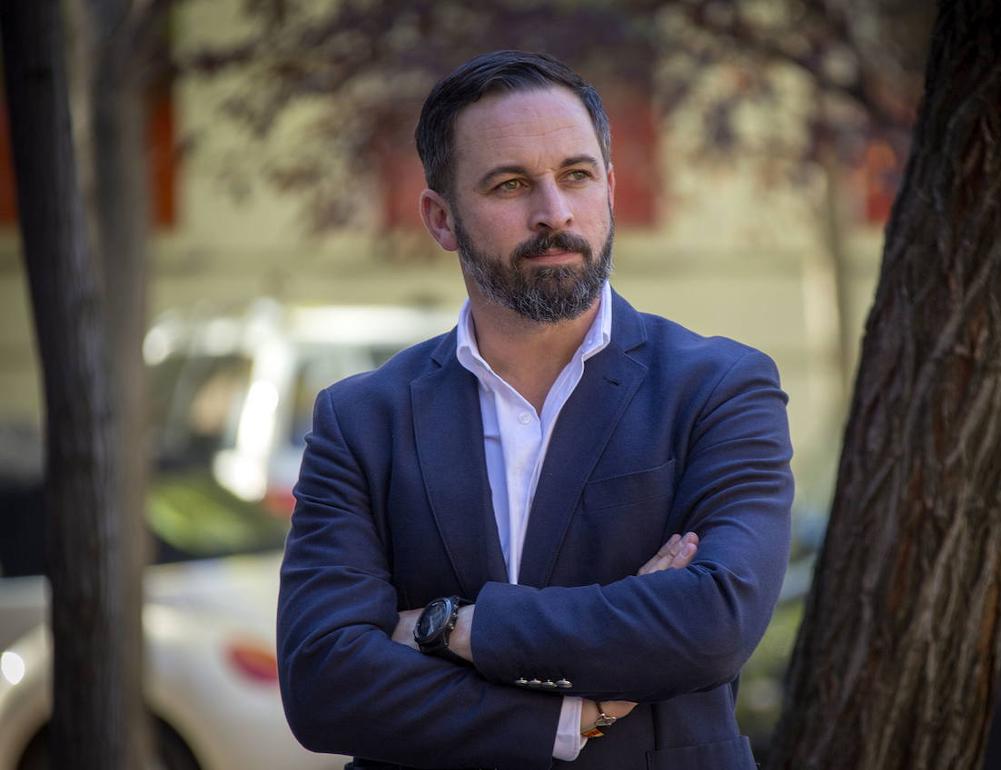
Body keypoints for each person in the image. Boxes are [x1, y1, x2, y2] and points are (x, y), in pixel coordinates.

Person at [276, 50, 794, 770]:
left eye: (576, 175)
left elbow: (713, 624)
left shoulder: (719, 388)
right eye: (511, 184)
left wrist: (452, 628)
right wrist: (573, 717)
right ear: (442, 219)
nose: (554, 212)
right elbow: (323, 684)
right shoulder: (362, 420)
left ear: (610, 188)